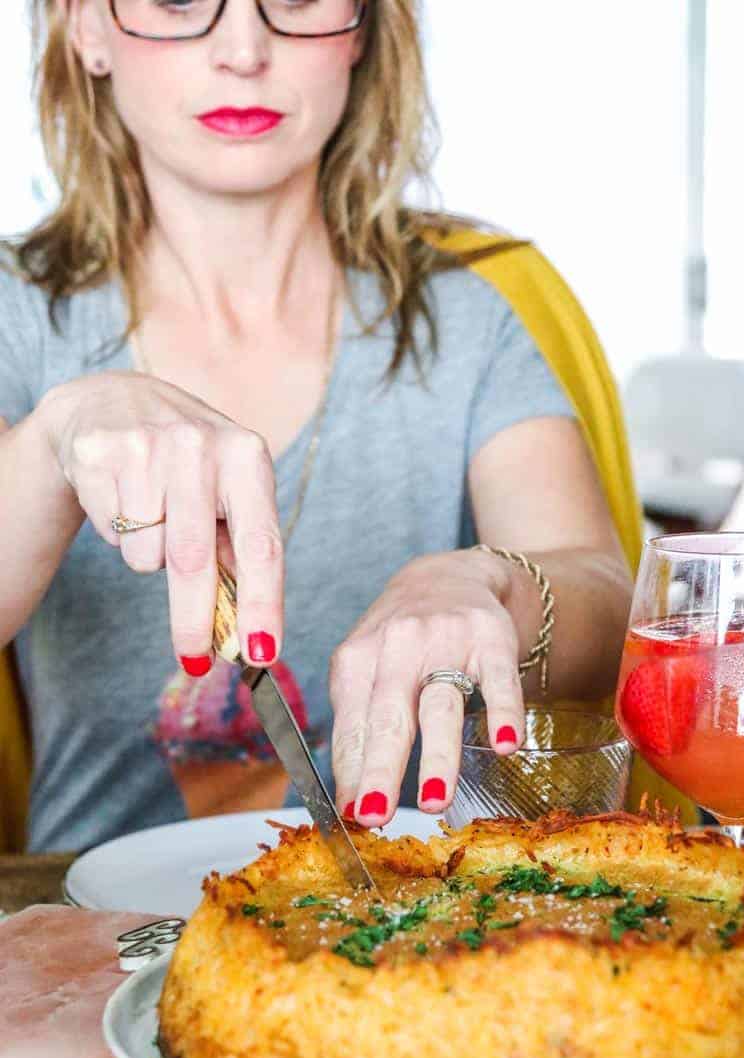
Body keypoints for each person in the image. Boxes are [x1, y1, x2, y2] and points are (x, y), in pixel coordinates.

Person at [0, 0, 633, 853]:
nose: (243, 49)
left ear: (363, 29)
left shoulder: (468, 317)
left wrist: (491, 584)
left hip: (419, 925)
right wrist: (52, 439)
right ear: (84, 27)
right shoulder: (16, 316)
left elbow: (611, 603)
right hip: (79, 936)